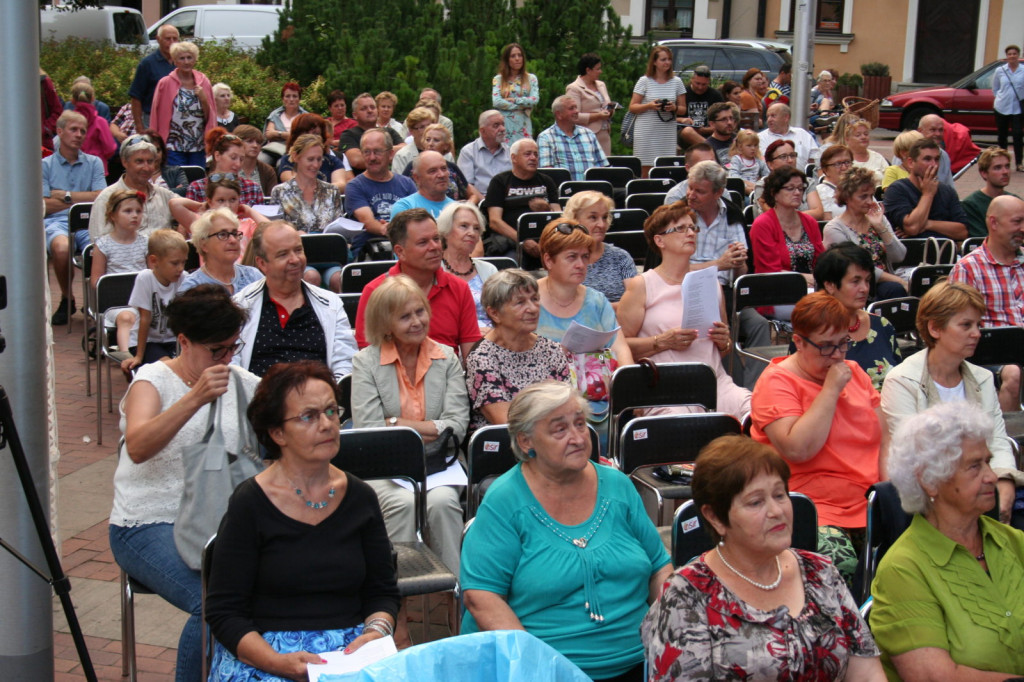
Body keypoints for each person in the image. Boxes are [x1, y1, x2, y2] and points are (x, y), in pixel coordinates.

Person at [461, 381, 672, 682]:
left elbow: (659, 567)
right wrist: (534, 666)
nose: (577, 438)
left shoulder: (617, 486)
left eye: (580, 423)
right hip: (547, 669)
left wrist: (669, 630)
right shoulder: (505, 501)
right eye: (559, 430)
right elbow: (482, 596)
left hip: (641, 661)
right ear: (525, 442)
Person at [206, 360, 399, 680]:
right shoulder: (250, 502)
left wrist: (377, 631)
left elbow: (382, 592)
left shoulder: (361, 497)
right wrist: (276, 663)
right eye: (309, 416)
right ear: (277, 432)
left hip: (348, 652)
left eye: (331, 411)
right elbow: (225, 611)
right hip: (267, 652)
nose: (327, 425)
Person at [642, 435, 885, 681]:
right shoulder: (686, 596)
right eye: (756, 502)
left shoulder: (821, 573)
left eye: (780, 495)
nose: (777, 511)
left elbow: (867, 674)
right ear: (715, 517)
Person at [108, 284, 258, 682]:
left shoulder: (241, 381)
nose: (226, 358)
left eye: (232, 346)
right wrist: (194, 398)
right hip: (146, 521)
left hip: (215, 523)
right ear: (183, 341)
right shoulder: (151, 381)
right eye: (216, 350)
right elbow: (138, 447)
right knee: (211, 605)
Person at [872, 402, 1024, 679]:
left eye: (988, 461)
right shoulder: (903, 569)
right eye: (974, 466)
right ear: (929, 482)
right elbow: (935, 677)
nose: (991, 476)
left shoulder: (1015, 543)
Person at [750, 291, 887, 583]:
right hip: (812, 505)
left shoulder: (854, 372)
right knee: (841, 565)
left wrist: (888, 495)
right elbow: (799, 449)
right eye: (826, 347)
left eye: (843, 344)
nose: (837, 355)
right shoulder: (777, 382)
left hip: (867, 498)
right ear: (798, 342)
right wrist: (831, 390)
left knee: (905, 557)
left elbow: (884, 436)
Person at [352, 274, 468, 580]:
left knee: (443, 504)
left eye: (420, 312)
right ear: (386, 324)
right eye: (405, 316)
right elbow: (370, 429)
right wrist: (429, 427)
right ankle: (398, 601)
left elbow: (456, 427)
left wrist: (396, 424)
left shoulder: (448, 357)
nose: (417, 321)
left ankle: (457, 595)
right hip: (385, 468)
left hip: (440, 464)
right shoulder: (365, 363)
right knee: (402, 504)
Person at [880, 281, 1022, 524]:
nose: (976, 333)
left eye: (978, 324)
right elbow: (914, 460)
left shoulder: (983, 378)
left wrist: (1006, 482)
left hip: (984, 485)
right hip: (932, 498)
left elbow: (996, 441)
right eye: (966, 325)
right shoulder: (902, 381)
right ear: (935, 328)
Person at [618, 202, 751, 421]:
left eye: (693, 228)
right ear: (659, 240)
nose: (690, 233)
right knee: (680, 424)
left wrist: (723, 340)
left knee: (755, 411)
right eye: (680, 228)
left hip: (715, 382)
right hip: (664, 388)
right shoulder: (641, 285)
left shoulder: (710, 283)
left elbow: (724, 348)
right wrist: (661, 342)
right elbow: (619, 346)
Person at [536, 219, 634, 428]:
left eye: (584, 257)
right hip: (543, 402)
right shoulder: (529, 299)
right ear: (549, 260)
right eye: (572, 257)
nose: (581, 264)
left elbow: (620, 348)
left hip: (597, 402)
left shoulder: (597, 301)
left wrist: (627, 393)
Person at [233, 221, 358, 379]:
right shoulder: (240, 305)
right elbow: (233, 366)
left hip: (319, 399)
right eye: (283, 254)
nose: (295, 259)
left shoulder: (331, 303)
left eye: (298, 250)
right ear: (262, 264)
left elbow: (345, 364)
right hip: (259, 399)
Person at [354, 208, 482, 357]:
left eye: (436, 239)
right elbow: (369, 355)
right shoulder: (375, 291)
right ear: (400, 252)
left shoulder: (458, 288)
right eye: (423, 242)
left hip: (447, 376)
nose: (434, 247)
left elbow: (471, 356)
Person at [465, 270, 571, 432]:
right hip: (507, 447)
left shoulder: (551, 350)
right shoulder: (482, 358)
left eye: (535, 299)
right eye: (520, 303)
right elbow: (506, 422)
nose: (533, 308)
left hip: (555, 439)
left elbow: (568, 406)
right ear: (494, 313)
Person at [948, 196, 1024, 413]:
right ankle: (1007, 442)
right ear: (993, 223)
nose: (1023, 228)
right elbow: (956, 327)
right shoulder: (969, 269)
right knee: (1014, 373)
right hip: (990, 356)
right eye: (1017, 222)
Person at [42, 110, 106, 325]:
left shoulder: (94, 163)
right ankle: (67, 297)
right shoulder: (44, 165)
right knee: (60, 249)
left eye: (82, 131)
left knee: (98, 249)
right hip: (56, 222)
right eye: (73, 129)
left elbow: (100, 198)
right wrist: (83, 198)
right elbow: (44, 205)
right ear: (60, 132)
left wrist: (65, 195)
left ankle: (94, 302)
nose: (79, 134)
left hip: (88, 221)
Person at [813, 244, 902, 390]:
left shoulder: (882, 325)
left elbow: (900, 376)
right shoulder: (812, 331)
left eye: (867, 280)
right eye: (855, 281)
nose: (865, 289)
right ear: (830, 285)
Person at [823, 165, 908, 300]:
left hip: (885, 284)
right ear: (847, 197)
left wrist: (880, 228)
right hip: (856, 286)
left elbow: (899, 256)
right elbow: (855, 266)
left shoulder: (877, 219)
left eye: (871, 196)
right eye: (863, 197)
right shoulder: (834, 228)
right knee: (895, 289)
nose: (869, 202)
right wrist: (897, 280)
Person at [750, 168, 825, 313]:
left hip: (813, 291)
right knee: (824, 310)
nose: (797, 192)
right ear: (774, 193)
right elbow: (770, 272)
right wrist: (809, 279)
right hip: (776, 293)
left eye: (800, 188)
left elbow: (821, 261)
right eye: (790, 188)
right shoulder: (763, 224)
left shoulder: (810, 222)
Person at [119, 229, 189, 374]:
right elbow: (145, 319)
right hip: (148, 342)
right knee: (170, 368)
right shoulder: (145, 279)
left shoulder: (184, 279)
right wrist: (139, 355)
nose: (180, 269)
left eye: (183, 262)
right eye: (175, 263)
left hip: (174, 341)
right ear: (154, 261)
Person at [88, 134, 176, 242]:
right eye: (139, 161)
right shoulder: (106, 198)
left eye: (150, 161)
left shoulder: (165, 195)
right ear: (125, 162)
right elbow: (99, 243)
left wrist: (182, 227)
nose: (146, 167)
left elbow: (193, 217)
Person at [344, 128, 417, 257]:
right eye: (367, 152)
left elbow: (416, 217)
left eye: (377, 151)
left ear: (390, 154)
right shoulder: (355, 186)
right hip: (370, 251)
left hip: (407, 247)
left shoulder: (407, 184)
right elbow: (368, 222)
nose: (372, 157)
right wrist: (387, 229)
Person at [483, 138, 560, 258]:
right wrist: (522, 240)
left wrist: (547, 209)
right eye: (527, 154)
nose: (533, 158)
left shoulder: (547, 181)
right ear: (514, 158)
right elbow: (495, 222)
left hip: (544, 239)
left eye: (536, 154)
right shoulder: (500, 181)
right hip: (511, 240)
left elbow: (559, 217)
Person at [884, 138, 967, 240]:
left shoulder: (947, 191)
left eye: (936, 159)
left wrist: (927, 224)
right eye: (927, 159)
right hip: (913, 253)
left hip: (944, 252)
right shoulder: (897, 190)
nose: (934, 165)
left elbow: (963, 232)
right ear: (911, 163)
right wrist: (927, 194)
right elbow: (913, 227)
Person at [563, 190, 636, 306]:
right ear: (574, 220)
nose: (601, 224)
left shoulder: (620, 257)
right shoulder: (562, 258)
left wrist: (598, 310)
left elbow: (635, 301)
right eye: (593, 217)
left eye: (605, 217)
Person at [150, 42, 214, 168]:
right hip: (172, 144)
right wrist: (155, 140)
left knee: (196, 181)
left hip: (198, 144)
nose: (186, 62)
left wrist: (203, 99)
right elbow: (155, 113)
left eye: (189, 57)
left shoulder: (204, 82)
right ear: (175, 61)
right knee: (177, 181)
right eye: (182, 58)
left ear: (195, 59)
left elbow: (210, 115)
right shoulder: (165, 83)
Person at [270, 134, 345, 240]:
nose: (316, 165)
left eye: (319, 159)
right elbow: (276, 231)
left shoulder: (332, 191)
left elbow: (338, 230)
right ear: (296, 157)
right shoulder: (280, 191)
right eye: (310, 159)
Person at [437, 202, 496, 331]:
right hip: (449, 341)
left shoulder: (489, 270)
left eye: (476, 228)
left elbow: (503, 313)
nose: (472, 233)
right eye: (464, 226)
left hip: (491, 341)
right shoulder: (432, 270)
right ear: (446, 231)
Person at [630, 46, 687, 177]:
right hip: (646, 130)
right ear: (654, 62)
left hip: (666, 131)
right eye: (663, 59)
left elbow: (683, 109)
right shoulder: (644, 81)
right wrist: (649, 105)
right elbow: (633, 107)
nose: (667, 62)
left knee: (665, 166)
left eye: (669, 59)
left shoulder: (677, 82)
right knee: (645, 167)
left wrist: (674, 108)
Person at [179, 208, 263, 295]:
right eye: (223, 235)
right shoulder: (191, 287)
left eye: (234, 234)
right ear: (204, 245)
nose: (233, 240)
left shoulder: (254, 276)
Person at [172, 174, 268, 243]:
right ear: (210, 201)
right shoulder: (203, 224)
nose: (227, 205)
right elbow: (174, 204)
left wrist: (250, 211)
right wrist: (201, 206)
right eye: (221, 200)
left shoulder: (248, 224)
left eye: (233, 200)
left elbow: (273, 231)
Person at [185, 128, 265, 206]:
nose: (238, 164)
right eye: (233, 158)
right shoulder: (197, 188)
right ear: (217, 156)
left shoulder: (253, 188)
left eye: (241, 159)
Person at [538, 95, 609, 181]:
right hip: (564, 190)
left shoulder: (588, 134)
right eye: (571, 108)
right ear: (559, 114)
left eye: (576, 108)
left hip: (590, 189)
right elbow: (548, 172)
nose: (577, 111)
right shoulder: (546, 137)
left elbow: (603, 166)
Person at [276, 113, 353, 192]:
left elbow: (341, 184)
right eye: (306, 133)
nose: (311, 137)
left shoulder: (333, 161)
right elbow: (292, 181)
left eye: (316, 134)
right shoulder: (288, 159)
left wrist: (317, 190)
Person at [751, 140, 825, 219]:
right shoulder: (763, 185)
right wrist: (803, 216)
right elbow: (774, 216)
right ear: (770, 164)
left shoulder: (808, 182)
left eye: (792, 155)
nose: (790, 160)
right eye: (783, 157)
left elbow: (818, 212)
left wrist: (790, 216)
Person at [414, 124, 483, 203]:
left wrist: (465, 207)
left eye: (436, 140)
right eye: (428, 139)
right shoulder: (414, 166)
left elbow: (473, 195)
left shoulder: (452, 167)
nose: (430, 144)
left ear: (446, 146)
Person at [961, 147, 1020, 238]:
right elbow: (981, 239)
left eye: (1007, 166)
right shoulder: (972, 204)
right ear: (984, 173)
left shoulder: (1015, 200)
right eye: (997, 168)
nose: (1005, 172)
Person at [128, 24, 179, 129]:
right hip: (152, 119)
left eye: (175, 39)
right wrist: (139, 125)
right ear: (158, 39)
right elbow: (136, 96)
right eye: (168, 39)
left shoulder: (182, 62)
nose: (172, 42)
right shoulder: (147, 64)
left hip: (177, 120)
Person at [338, 93, 404, 173]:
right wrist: (388, 153)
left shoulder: (389, 132)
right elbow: (356, 160)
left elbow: (404, 150)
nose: (369, 111)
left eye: (372, 107)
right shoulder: (348, 135)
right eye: (364, 108)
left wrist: (372, 154)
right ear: (355, 115)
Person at [91, 189, 148, 281]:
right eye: (128, 211)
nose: (135, 215)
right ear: (112, 215)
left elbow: (154, 276)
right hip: (114, 293)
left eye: (138, 211)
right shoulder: (103, 245)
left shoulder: (146, 242)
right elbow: (96, 281)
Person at [565, 53, 614, 155]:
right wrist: (598, 115)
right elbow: (574, 116)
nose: (600, 71)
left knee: (605, 168)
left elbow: (606, 104)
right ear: (588, 70)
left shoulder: (601, 85)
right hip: (586, 135)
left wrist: (610, 111)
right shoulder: (574, 88)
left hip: (604, 134)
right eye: (597, 69)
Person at [492, 43, 539, 144]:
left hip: (523, 124)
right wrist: (522, 106)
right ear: (507, 60)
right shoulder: (499, 79)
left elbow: (534, 100)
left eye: (520, 55)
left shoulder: (531, 79)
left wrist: (515, 100)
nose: (517, 59)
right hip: (505, 125)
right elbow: (496, 102)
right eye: (513, 56)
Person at [68, 81, 117, 175]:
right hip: (96, 168)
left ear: (72, 100)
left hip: (72, 167)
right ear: (93, 99)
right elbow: (110, 148)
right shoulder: (100, 122)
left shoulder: (68, 122)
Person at [457, 110, 511, 194]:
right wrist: (485, 202)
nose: (502, 129)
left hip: (509, 200)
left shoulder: (511, 152)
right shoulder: (468, 152)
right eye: (496, 125)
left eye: (503, 125)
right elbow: (466, 186)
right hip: (480, 202)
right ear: (483, 131)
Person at [391, 150, 456, 218]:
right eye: (432, 171)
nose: (441, 175)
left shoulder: (457, 209)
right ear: (417, 178)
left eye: (444, 169)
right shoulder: (405, 208)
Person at [757, 102, 820, 172]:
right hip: (772, 180)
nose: (769, 120)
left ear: (786, 117)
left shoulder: (802, 134)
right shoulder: (760, 138)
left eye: (773, 116)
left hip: (802, 179)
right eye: (767, 116)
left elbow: (815, 159)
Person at [676, 66, 725, 148]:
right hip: (685, 133)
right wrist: (683, 120)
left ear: (709, 82)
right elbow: (671, 118)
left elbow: (723, 120)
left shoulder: (715, 95)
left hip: (709, 133)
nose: (700, 87)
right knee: (688, 131)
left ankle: (710, 148)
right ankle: (713, 150)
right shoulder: (683, 93)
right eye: (697, 83)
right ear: (692, 80)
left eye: (704, 84)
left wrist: (706, 130)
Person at [993, 44, 1024, 171]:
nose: (1012, 56)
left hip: (1017, 108)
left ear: (1018, 55)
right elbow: (995, 88)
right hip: (1001, 107)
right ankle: (1003, 162)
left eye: (1014, 54)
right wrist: (1001, 98)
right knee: (1002, 135)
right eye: (1010, 54)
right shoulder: (1000, 70)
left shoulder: (1023, 70)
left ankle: (1019, 163)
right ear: (1007, 56)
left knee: (1017, 134)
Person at [391, 106, 441, 176]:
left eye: (429, 125)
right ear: (411, 131)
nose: (427, 130)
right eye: (421, 127)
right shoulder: (402, 156)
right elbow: (400, 183)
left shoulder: (445, 153)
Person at [234, 124, 279, 197]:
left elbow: (271, 200)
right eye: (249, 141)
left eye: (258, 142)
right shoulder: (230, 168)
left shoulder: (267, 171)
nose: (255, 145)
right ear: (238, 143)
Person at [843, 117, 889, 185]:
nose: (863, 137)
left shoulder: (878, 158)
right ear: (847, 139)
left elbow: (889, 180)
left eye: (866, 134)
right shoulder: (842, 159)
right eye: (858, 135)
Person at [917, 114, 956, 190]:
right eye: (933, 130)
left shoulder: (944, 156)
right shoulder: (907, 153)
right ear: (920, 131)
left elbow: (950, 187)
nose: (938, 134)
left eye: (941, 130)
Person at [263, 82, 307, 148]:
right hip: (275, 149)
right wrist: (287, 135)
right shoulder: (275, 115)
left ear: (299, 99)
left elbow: (304, 138)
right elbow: (269, 134)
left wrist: (277, 134)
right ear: (283, 99)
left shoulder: (306, 117)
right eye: (288, 96)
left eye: (294, 96)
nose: (291, 99)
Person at [145, 131, 189, 197]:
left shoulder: (175, 171)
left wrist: (149, 192)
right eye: (150, 151)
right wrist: (171, 191)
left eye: (157, 150)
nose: (154, 155)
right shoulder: (134, 174)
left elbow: (184, 191)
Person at [815, 144, 853, 218]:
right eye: (838, 164)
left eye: (847, 162)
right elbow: (826, 222)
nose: (844, 167)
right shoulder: (820, 193)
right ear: (825, 169)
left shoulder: (859, 188)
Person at [727, 128, 769, 195]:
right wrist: (747, 185)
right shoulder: (737, 159)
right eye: (749, 145)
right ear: (740, 147)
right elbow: (733, 175)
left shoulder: (758, 161)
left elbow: (767, 175)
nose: (753, 148)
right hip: (742, 189)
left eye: (755, 145)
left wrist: (761, 183)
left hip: (756, 188)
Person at [701, 102, 737, 166]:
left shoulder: (741, 140)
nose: (729, 122)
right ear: (712, 124)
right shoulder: (708, 147)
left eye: (731, 118)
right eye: (724, 119)